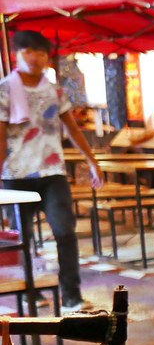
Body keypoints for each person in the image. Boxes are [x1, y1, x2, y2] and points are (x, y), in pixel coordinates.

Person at [0, 30, 101, 312]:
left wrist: (92, 160)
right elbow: (1, 133)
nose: (36, 57)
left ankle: (72, 296)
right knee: (23, 238)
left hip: (52, 173)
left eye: (42, 52)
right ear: (17, 54)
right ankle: (30, 291)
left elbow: (71, 127)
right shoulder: (4, 90)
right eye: (29, 51)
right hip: (16, 175)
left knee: (65, 232)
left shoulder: (54, 91)